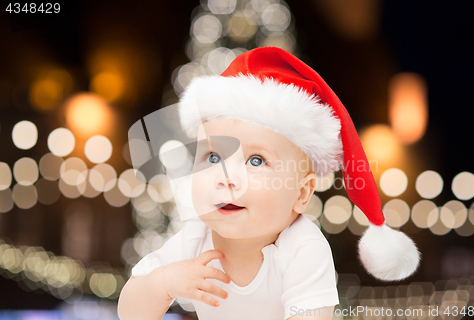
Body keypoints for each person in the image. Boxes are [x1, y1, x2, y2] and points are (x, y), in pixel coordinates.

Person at [117, 47, 420, 320]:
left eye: (256, 160)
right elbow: (130, 312)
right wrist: (163, 284)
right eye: (212, 157)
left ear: (301, 194)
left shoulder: (303, 248)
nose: (226, 177)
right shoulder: (195, 239)